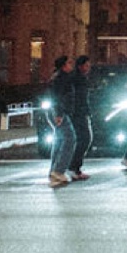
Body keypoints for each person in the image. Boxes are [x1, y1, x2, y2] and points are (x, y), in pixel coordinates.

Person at [46, 55, 77, 187]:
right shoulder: (62, 78)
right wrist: (59, 114)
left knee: (59, 140)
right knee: (70, 139)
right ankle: (59, 170)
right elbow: (57, 97)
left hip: (58, 111)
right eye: (69, 63)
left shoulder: (57, 76)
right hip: (60, 112)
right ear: (64, 65)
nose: (72, 65)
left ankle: (53, 171)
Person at [67, 55, 93, 181]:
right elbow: (77, 98)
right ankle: (73, 167)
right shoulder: (76, 79)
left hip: (82, 112)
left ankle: (75, 167)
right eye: (86, 65)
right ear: (80, 66)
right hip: (77, 113)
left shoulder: (82, 78)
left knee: (84, 139)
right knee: (83, 139)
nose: (88, 68)